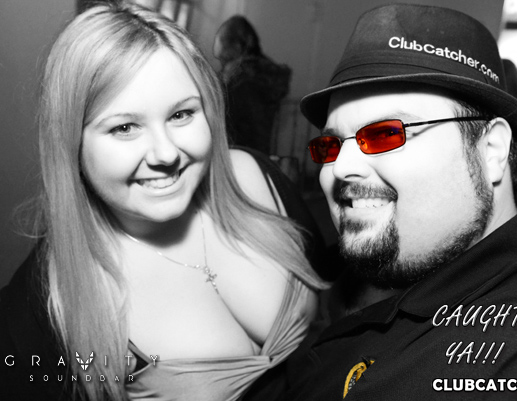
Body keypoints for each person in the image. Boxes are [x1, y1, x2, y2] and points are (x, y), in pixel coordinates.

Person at [275, 4, 517, 400]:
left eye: (385, 134)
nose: (339, 168)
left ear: (491, 150)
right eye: (330, 145)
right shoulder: (370, 269)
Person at [0, 4, 325, 400]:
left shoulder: (256, 177)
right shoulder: (43, 306)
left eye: (181, 114)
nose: (166, 153)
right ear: (71, 143)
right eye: (124, 127)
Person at [213, 15, 291, 155]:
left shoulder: (241, 82)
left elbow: (225, 124)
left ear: (236, 47)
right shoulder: (262, 76)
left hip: (235, 154)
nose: (222, 67)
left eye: (224, 60)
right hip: (257, 155)